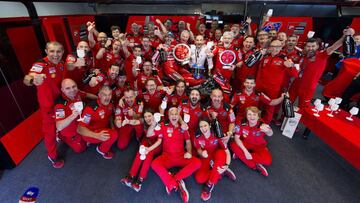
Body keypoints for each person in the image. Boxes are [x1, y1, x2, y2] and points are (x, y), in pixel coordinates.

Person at [23, 41, 66, 168]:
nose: (55, 54)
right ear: (46, 52)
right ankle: (52, 156)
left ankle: (61, 136)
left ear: (62, 52)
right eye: (52, 51)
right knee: (50, 133)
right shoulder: (40, 64)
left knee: (63, 124)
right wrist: (33, 79)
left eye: (58, 51)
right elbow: (28, 78)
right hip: (48, 107)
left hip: (60, 102)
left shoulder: (62, 64)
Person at [289, 27, 355, 109]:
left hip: (308, 87)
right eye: (308, 46)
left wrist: (345, 36)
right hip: (296, 83)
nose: (310, 48)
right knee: (288, 103)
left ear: (317, 46)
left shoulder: (322, 55)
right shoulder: (304, 55)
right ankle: (281, 118)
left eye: (313, 46)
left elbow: (335, 46)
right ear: (305, 47)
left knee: (303, 108)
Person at [151, 107, 201, 203]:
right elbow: (150, 134)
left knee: (197, 163)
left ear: (179, 116)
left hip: (181, 156)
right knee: (154, 164)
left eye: (176, 114)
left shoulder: (183, 127)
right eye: (172, 114)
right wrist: (153, 123)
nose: (174, 116)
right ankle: (176, 182)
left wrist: (189, 153)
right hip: (167, 157)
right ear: (168, 116)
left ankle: (174, 179)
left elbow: (188, 142)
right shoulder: (163, 126)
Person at [256, 40, 298, 123]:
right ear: (270, 47)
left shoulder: (284, 58)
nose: (275, 49)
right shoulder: (266, 56)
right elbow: (260, 71)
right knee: (259, 104)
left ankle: (266, 124)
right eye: (273, 46)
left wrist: (290, 67)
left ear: (281, 47)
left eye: (277, 47)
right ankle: (256, 122)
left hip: (273, 88)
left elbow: (295, 74)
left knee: (270, 108)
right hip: (261, 85)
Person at [194, 118, 235, 201]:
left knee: (221, 153)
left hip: (217, 155)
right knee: (199, 179)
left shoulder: (217, 134)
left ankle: (209, 186)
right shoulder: (197, 137)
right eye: (201, 126)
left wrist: (227, 165)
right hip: (206, 157)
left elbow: (227, 152)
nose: (203, 128)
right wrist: (201, 153)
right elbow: (198, 149)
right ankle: (220, 172)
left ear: (209, 125)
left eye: (205, 125)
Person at [121, 109, 162, 192]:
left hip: (156, 145)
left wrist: (149, 149)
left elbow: (159, 141)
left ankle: (140, 180)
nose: (147, 118)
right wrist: (128, 121)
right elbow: (136, 122)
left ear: (154, 116)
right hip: (147, 140)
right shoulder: (145, 121)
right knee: (141, 150)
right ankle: (131, 176)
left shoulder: (159, 124)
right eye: (146, 117)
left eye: (149, 116)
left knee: (148, 154)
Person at [54, 79, 97, 154]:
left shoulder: (77, 93)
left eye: (74, 86)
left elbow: (87, 95)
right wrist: (73, 115)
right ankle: (62, 137)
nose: (72, 90)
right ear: (62, 90)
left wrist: (99, 99)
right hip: (70, 131)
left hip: (81, 123)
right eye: (68, 88)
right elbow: (59, 126)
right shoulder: (60, 105)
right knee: (81, 149)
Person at [230, 106, 273, 177]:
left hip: (259, 146)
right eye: (249, 114)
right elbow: (237, 138)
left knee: (268, 161)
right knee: (233, 145)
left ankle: (240, 155)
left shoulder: (262, 125)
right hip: (246, 143)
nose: (252, 117)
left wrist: (268, 130)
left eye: (254, 114)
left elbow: (270, 134)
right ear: (246, 116)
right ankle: (254, 166)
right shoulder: (241, 123)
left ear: (258, 117)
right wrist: (246, 152)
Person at [77, 85, 118, 159]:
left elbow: (110, 116)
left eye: (109, 95)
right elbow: (80, 129)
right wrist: (96, 135)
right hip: (92, 132)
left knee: (116, 130)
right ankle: (101, 150)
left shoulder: (110, 104)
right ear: (99, 95)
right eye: (104, 95)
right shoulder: (90, 109)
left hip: (103, 127)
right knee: (114, 135)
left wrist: (112, 127)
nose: (107, 98)